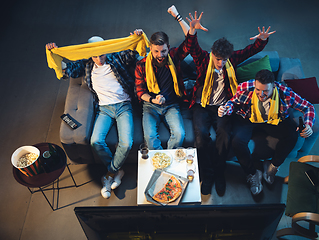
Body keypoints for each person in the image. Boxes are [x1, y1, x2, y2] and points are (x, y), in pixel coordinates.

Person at [169, 7, 275, 196]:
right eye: (218, 60)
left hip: (223, 107)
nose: (221, 64)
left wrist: (262, 39)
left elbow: (251, 50)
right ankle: (208, 175)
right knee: (201, 137)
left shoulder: (231, 60)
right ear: (212, 55)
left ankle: (219, 174)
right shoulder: (203, 59)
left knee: (224, 138)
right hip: (202, 106)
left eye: (224, 60)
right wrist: (192, 30)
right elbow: (192, 46)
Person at [45, 29, 143, 199]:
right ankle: (116, 171)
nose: (99, 58)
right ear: (90, 54)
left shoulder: (116, 57)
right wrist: (55, 53)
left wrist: (136, 36)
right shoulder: (86, 65)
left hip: (124, 106)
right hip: (104, 109)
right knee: (95, 141)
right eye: (95, 55)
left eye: (102, 54)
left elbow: (132, 54)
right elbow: (66, 71)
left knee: (126, 143)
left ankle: (110, 174)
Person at [218, 69, 315, 195]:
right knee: (237, 141)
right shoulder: (246, 88)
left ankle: (272, 166)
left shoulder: (285, 93)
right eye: (258, 90)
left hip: (274, 119)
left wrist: (308, 124)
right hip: (248, 118)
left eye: (265, 91)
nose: (261, 94)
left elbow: (308, 107)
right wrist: (226, 109)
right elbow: (233, 103)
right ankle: (252, 173)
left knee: (292, 135)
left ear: (273, 87)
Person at [135, 27, 203, 150]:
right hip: (150, 106)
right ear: (150, 48)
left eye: (163, 51)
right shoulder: (142, 65)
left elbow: (189, 44)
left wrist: (190, 28)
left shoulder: (173, 56)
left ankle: (168, 160)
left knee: (179, 134)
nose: (160, 55)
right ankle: (161, 162)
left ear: (168, 47)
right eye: (156, 51)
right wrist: (153, 100)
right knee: (150, 138)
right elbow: (140, 91)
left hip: (171, 105)